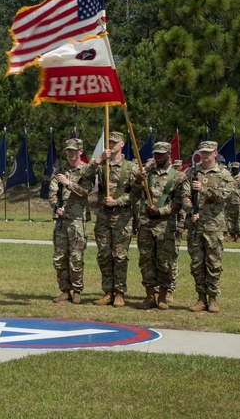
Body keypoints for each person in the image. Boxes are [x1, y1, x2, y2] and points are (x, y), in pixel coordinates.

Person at [85, 131, 139, 307]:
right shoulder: (102, 166)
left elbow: (136, 193)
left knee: (120, 256)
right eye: (109, 142)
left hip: (122, 218)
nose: (111, 145)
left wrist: (118, 200)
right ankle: (107, 291)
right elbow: (85, 174)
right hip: (103, 218)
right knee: (104, 256)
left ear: (122, 144)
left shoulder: (131, 167)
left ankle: (119, 293)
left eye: (115, 142)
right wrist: (99, 159)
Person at [132, 141, 183, 310]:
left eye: (162, 154)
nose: (158, 157)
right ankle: (149, 295)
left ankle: (162, 295)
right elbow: (133, 193)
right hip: (146, 223)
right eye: (156, 154)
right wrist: (138, 181)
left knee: (163, 261)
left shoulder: (178, 176)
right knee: (146, 260)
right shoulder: (147, 174)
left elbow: (179, 202)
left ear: (169, 154)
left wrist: (161, 211)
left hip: (165, 224)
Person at [185, 141, 234, 313]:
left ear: (215, 153)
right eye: (202, 152)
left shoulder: (223, 174)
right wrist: (190, 210)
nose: (204, 155)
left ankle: (213, 298)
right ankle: (200, 298)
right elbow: (184, 194)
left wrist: (204, 188)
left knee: (213, 263)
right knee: (197, 264)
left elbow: (224, 196)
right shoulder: (192, 172)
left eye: (208, 152)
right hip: (196, 225)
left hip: (214, 225)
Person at [48, 138, 94, 304]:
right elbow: (52, 192)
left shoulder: (85, 171)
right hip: (61, 220)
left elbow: (85, 191)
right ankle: (64, 290)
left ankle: (77, 290)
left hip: (77, 220)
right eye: (68, 151)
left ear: (81, 151)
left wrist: (68, 183)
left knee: (76, 257)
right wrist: (56, 206)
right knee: (59, 257)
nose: (70, 154)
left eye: (74, 151)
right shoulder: (60, 170)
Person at [226, 162, 240, 242]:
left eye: (236, 169)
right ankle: (232, 235)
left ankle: (239, 235)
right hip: (230, 201)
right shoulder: (229, 177)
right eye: (233, 168)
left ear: (239, 168)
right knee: (230, 219)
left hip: (239, 201)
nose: (234, 170)